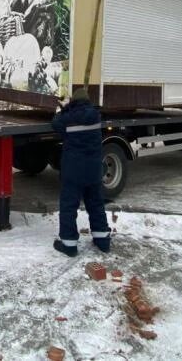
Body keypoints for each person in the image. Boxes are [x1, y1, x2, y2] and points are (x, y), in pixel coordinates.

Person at [51, 87, 111, 257]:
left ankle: (69, 245)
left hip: (74, 172)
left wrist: (62, 109)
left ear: (74, 101)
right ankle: (103, 241)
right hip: (93, 171)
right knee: (96, 204)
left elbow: (56, 124)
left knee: (69, 206)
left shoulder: (69, 117)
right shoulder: (95, 115)